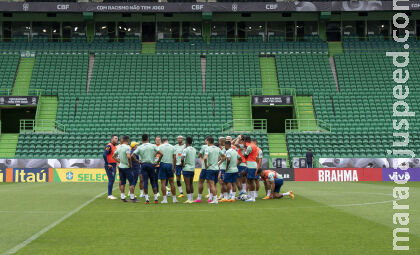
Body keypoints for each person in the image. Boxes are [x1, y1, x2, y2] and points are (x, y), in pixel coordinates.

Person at [133, 134, 162, 204]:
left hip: (143, 165)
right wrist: (157, 162)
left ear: (142, 140)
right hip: (151, 165)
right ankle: (156, 199)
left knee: (145, 181)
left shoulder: (140, 147)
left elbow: (132, 155)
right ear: (148, 139)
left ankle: (147, 200)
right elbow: (161, 154)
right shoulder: (153, 145)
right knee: (153, 182)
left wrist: (137, 161)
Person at [112, 136, 137, 202]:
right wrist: (130, 164)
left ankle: (122, 198)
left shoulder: (119, 147)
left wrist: (119, 161)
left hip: (121, 167)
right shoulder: (127, 147)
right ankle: (132, 198)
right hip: (127, 167)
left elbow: (113, 156)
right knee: (131, 182)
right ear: (128, 141)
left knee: (122, 183)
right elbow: (129, 157)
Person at [203, 137, 224, 204]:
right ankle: (215, 198)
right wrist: (219, 163)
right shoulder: (217, 148)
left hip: (210, 169)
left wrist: (206, 165)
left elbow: (205, 158)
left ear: (209, 141)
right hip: (216, 169)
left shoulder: (207, 149)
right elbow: (224, 157)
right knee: (214, 184)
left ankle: (215, 199)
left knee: (211, 184)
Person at [158, 138, 178, 203]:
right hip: (170, 165)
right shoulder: (172, 147)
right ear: (167, 141)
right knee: (172, 182)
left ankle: (165, 199)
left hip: (162, 164)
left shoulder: (160, 146)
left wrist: (157, 162)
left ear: (162, 142)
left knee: (163, 183)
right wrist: (174, 167)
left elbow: (156, 155)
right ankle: (174, 199)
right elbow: (174, 158)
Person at [181, 136, 196, 204]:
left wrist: (182, 164)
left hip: (186, 168)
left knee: (187, 184)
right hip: (192, 168)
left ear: (186, 142)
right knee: (191, 183)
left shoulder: (185, 150)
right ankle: (192, 198)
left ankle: (189, 199)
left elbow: (182, 158)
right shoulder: (194, 149)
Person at [243, 136, 258, 202]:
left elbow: (245, 155)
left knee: (251, 181)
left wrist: (244, 152)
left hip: (251, 166)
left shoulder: (249, 147)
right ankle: (250, 195)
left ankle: (252, 197)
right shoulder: (254, 146)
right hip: (251, 165)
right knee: (247, 179)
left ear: (245, 141)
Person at [194, 137, 209, 203]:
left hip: (205, 167)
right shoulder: (215, 147)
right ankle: (212, 197)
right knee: (211, 183)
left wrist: (201, 157)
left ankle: (199, 197)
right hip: (213, 167)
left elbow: (199, 154)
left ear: (207, 141)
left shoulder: (204, 147)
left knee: (201, 182)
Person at [103, 135, 118, 200]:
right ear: (112, 139)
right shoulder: (109, 146)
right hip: (110, 165)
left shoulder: (114, 147)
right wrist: (107, 164)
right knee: (111, 180)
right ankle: (109, 195)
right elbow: (104, 154)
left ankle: (110, 194)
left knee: (112, 180)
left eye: (117, 138)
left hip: (113, 164)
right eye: (115, 138)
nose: (117, 139)